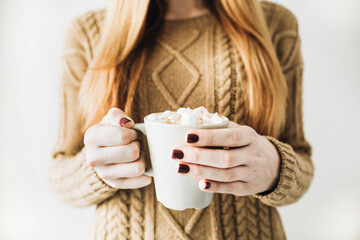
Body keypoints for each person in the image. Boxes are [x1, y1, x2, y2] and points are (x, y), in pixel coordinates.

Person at [49, 0, 314, 239]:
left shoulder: (276, 25)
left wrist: (276, 168)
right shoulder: (88, 33)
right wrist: (94, 167)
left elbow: (302, 164)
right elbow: (60, 176)